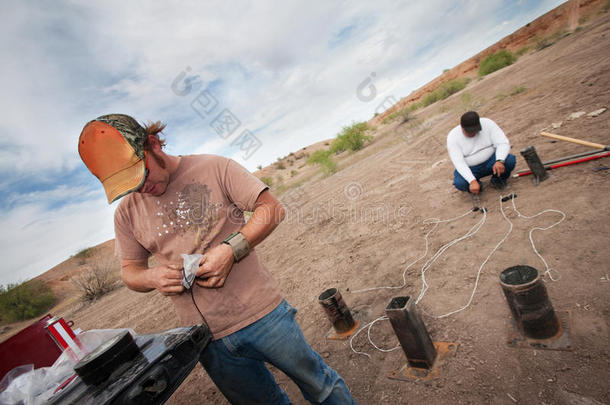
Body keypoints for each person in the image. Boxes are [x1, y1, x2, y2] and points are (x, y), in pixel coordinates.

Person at [78, 114, 357, 405]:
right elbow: (130, 271)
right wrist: (152, 277)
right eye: (129, 185)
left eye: (141, 174)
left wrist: (231, 249)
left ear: (152, 144)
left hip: (263, 316)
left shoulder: (213, 167)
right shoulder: (126, 213)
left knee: (320, 386)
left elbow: (272, 208)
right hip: (205, 339)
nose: (140, 187)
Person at [447, 111, 516, 194]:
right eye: (469, 132)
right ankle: (477, 186)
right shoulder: (453, 137)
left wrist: (499, 160)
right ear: (462, 127)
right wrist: (472, 181)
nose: (473, 134)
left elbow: (503, 143)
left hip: (492, 161)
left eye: (475, 131)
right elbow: (459, 162)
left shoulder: (488, 124)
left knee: (509, 161)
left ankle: (497, 181)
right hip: (472, 168)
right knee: (460, 183)